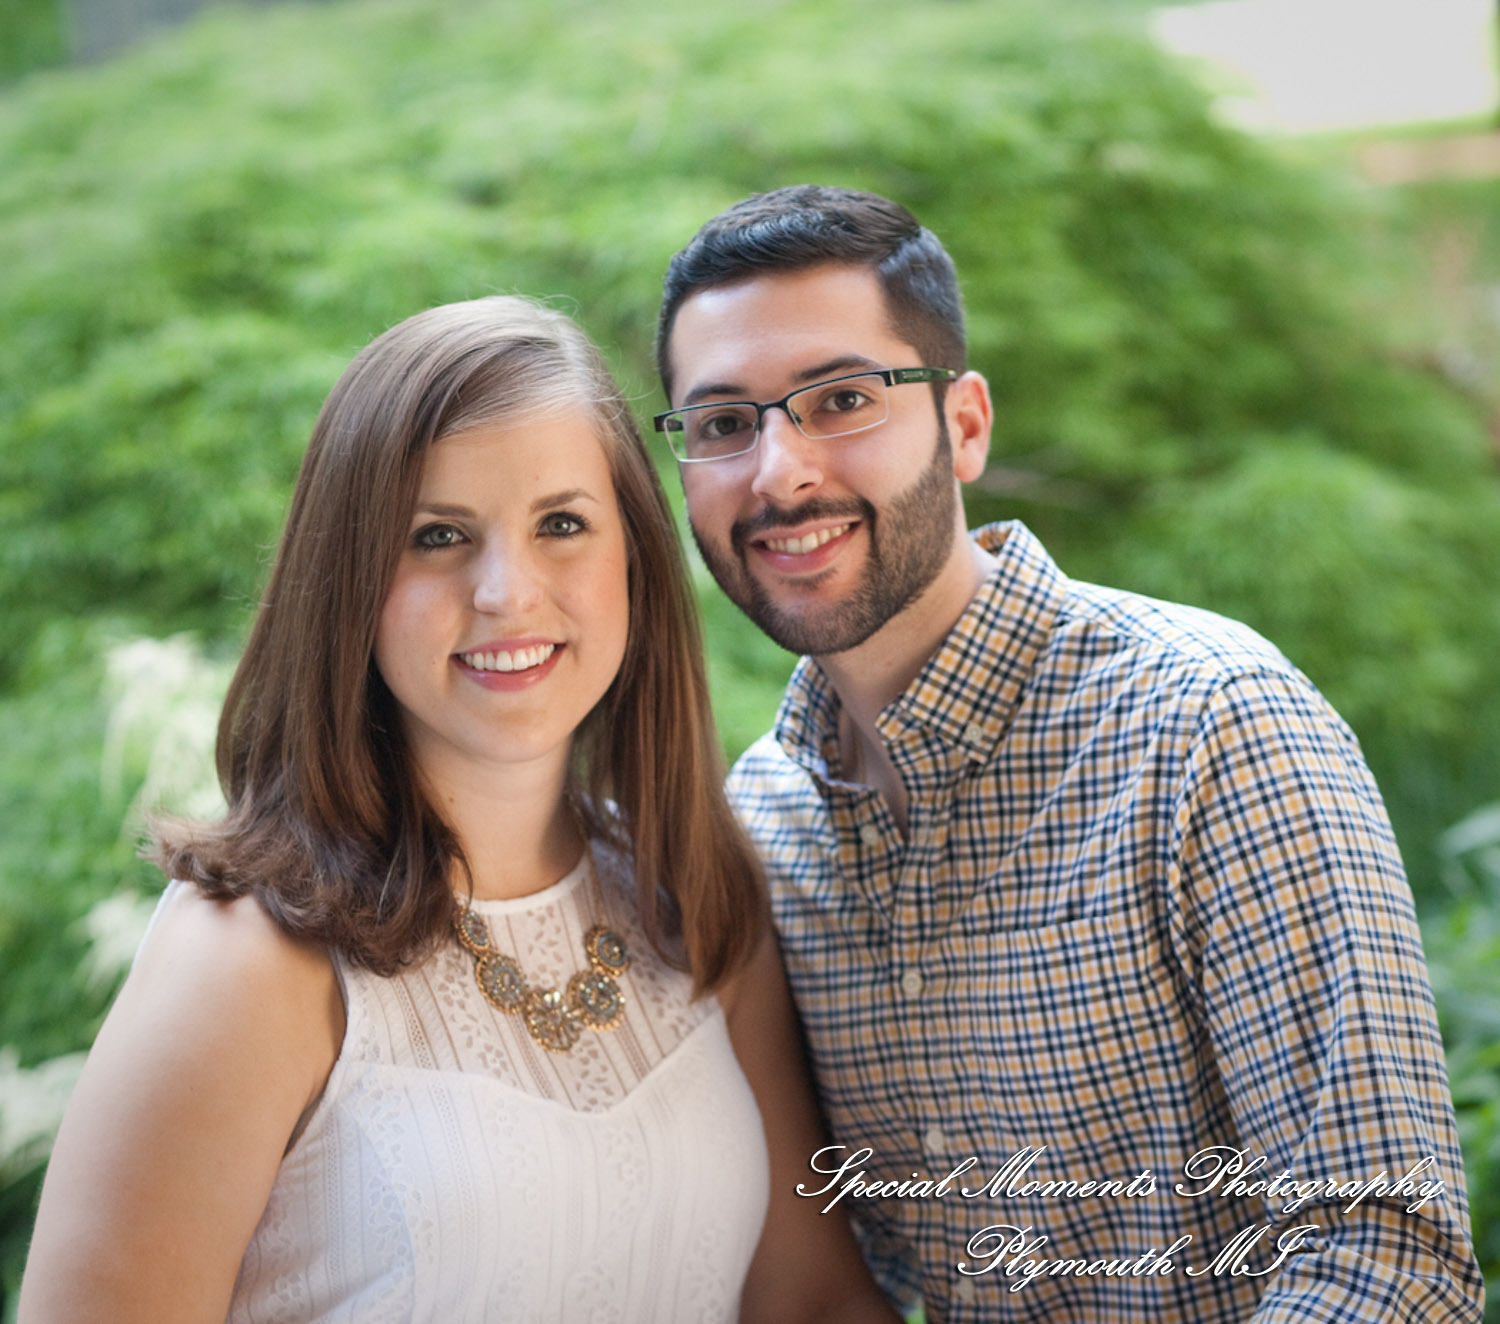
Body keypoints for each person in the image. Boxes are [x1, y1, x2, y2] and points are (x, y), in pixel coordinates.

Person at [652, 185, 1486, 1322]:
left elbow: (1385, 1256)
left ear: (965, 424)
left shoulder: (1207, 725)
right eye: (722, 423)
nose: (778, 470)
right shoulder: (765, 822)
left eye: (841, 399)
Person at [20, 296, 899, 1323]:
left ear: (635, 562)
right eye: (437, 535)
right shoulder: (249, 957)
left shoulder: (694, 895)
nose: (504, 591)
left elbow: (808, 1302)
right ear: (346, 580)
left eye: (561, 524)